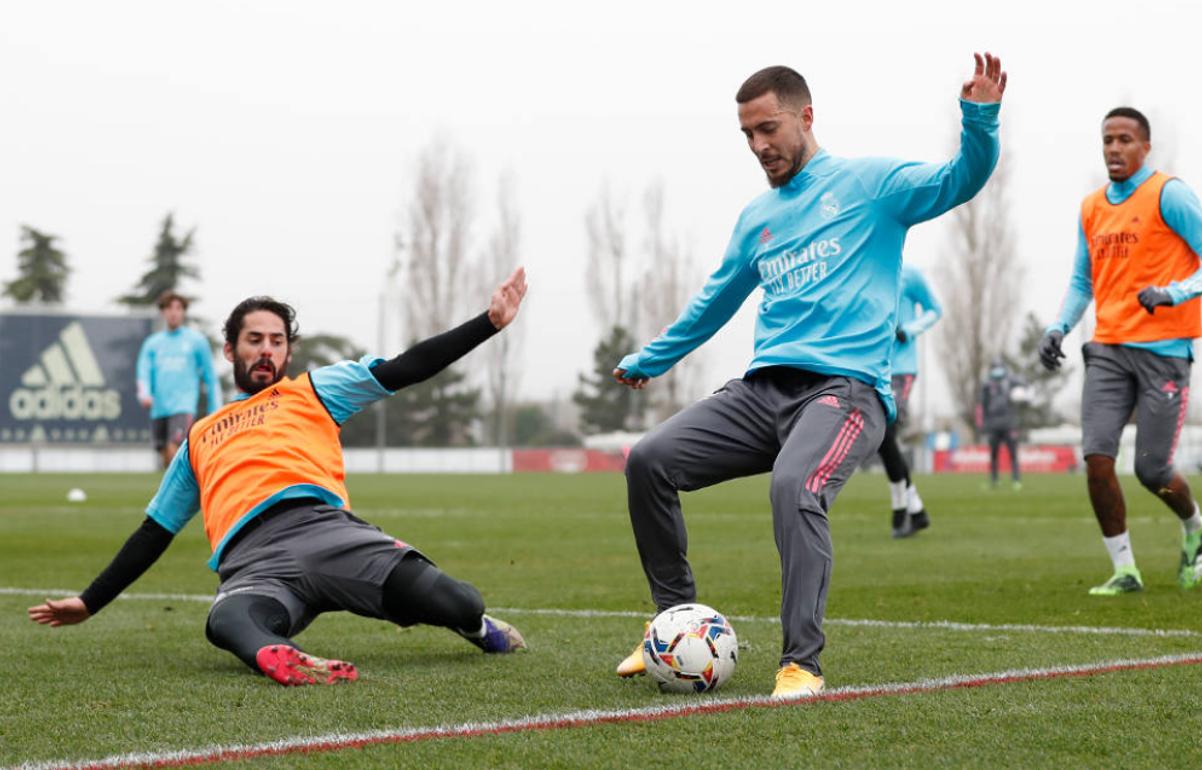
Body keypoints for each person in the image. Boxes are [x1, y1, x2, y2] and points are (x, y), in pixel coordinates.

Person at [612, 54, 1005, 698]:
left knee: (795, 485)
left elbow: (961, 179)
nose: (758, 145)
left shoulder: (871, 185)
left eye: (768, 128)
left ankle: (802, 664)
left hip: (844, 392)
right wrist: (651, 358)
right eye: (747, 135)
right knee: (648, 460)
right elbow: (715, 301)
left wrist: (979, 117)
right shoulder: (757, 219)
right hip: (762, 390)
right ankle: (672, 623)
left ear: (806, 117)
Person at [29, 268, 530, 685]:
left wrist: (487, 323)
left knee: (459, 600)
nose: (266, 350)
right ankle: (281, 656)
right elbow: (154, 531)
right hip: (252, 561)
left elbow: (407, 367)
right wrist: (90, 601)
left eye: (276, 341)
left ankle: (473, 625)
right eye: (254, 341)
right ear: (231, 351)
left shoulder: (315, 390)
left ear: (287, 351)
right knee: (226, 619)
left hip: (329, 534)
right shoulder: (199, 436)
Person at [1039, 107, 1202, 596]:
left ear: (1145, 147)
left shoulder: (1169, 194)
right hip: (1107, 348)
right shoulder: (1091, 207)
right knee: (1097, 458)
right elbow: (1082, 279)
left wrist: (1175, 291)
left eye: (1125, 139)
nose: (1114, 148)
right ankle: (1125, 569)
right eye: (1108, 139)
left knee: (1152, 469)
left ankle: (1195, 526)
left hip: (1164, 351)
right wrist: (1059, 327)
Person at [882, 263, 941, 538]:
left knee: (886, 430)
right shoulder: (865, 271)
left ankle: (900, 511)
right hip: (873, 367)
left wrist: (910, 328)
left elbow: (935, 310)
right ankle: (916, 511)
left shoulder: (910, 275)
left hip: (902, 369)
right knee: (881, 439)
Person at [136, 289, 222, 468]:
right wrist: (144, 394)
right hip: (159, 408)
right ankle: (179, 489)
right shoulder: (153, 343)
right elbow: (143, 371)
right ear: (163, 312)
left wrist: (215, 408)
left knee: (173, 446)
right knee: (163, 452)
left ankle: (184, 489)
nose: (174, 312)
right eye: (169, 308)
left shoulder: (196, 341)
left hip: (184, 405)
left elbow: (210, 377)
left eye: (178, 308)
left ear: (183, 312)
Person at [977, 358, 1025, 490]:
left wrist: (1022, 392)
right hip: (993, 425)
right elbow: (983, 405)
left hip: (1009, 424)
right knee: (993, 455)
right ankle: (994, 480)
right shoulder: (986, 385)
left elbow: (1023, 386)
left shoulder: (1011, 381)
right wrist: (984, 424)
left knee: (1013, 454)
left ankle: (1016, 480)